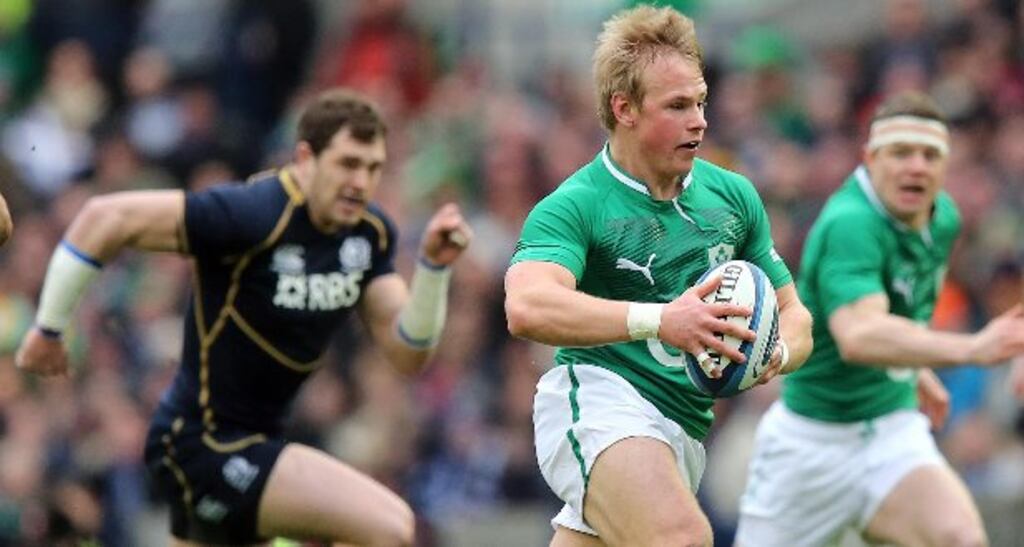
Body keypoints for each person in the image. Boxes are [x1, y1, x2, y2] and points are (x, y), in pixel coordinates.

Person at [15, 88, 473, 546]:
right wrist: (48, 328)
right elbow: (104, 217)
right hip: (202, 445)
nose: (360, 181)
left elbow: (408, 353)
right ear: (305, 159)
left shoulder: (368, 235)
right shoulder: (253, 213)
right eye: (348, 164)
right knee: (391, 527)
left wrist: (433, 270)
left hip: (254, 446)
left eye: (373, 168)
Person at [503, 6, 813, 546]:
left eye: (700, 102)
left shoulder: (733, 196)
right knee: (682, 538)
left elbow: (795, 313)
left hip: (682, 430)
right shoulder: (576, 205)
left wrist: (775, 353)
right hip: (599, 405)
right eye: (677, 106)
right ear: (624, 108)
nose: (699, 121)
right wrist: (661, 320)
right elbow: (527, 307)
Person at [736, 91, 1024, 547]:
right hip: (811, 442)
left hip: (892, 430)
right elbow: (859, 334)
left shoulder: (943, 219)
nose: (917, 167)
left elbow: (900, 310)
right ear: (870, 158)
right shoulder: (849, 223)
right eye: (901, 153)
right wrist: (973, 347)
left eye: (930, 155)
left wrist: (912, 365)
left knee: (961, 538)